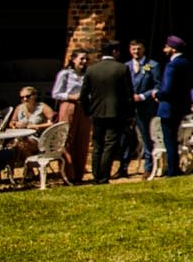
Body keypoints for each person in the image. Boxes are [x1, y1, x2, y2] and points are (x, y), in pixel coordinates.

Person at [81, 50, 135, 185]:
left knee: (97, 144)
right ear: (115, 52)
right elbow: (129, 94)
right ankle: (104, 176)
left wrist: (88, 111)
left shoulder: (91, 70)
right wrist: (130, 114)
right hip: (115, 112)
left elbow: (83, 95)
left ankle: (96, 175)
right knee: (110, 144)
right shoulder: (122, 68)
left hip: (97, 112)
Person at [50, 47, 92, 185]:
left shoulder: (88, 75)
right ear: (73, 60)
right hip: (69, 106)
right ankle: (68, 175)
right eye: (81, 59)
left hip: (84, 108)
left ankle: (79, 174)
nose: (84, 61)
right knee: (67, 139)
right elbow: (56, 93)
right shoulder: (65, 74)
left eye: (86, 59)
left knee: (82, 140)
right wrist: (71, 96)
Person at [154, 36, 193, 177]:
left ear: (172, 49)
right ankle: (174, 167)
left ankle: (172, 170)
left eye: (166, 47)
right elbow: (190, 85)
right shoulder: (187, 63)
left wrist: (157, 95)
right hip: (181, 106)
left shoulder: (172, 65)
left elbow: (167, 89)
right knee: (174, 137)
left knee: (169, 139)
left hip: (169, 107)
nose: (164, 49)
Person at [125, 41, 160, 178]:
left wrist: (142, 96)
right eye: (133, 49)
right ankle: (123, 168)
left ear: (143, 49)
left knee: (146, 137)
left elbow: (157, 86)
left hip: (145, 107)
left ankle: (148, 167)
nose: (136, 51)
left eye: (139, 49)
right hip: (129, 107)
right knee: (125, 138)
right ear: (130, 50)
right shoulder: (126, 66)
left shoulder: (152, 65)